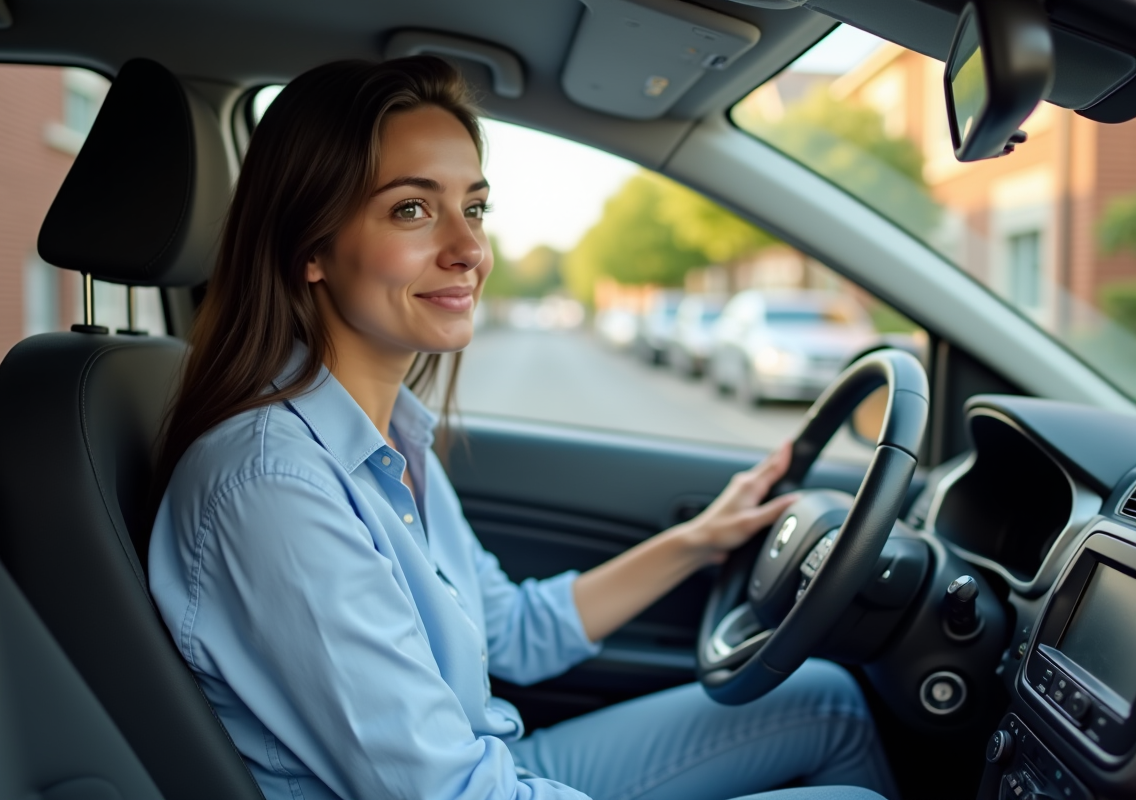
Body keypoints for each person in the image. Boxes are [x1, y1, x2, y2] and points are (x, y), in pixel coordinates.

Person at [148, 56, 898, 800]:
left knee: (825, 699)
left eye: (473, 208)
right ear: (309, 247)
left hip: (496, 765)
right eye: (412, 209)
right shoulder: (274, 486)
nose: (470, 250)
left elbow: (510, 630)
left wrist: (699, 538)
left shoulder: (385, 439)